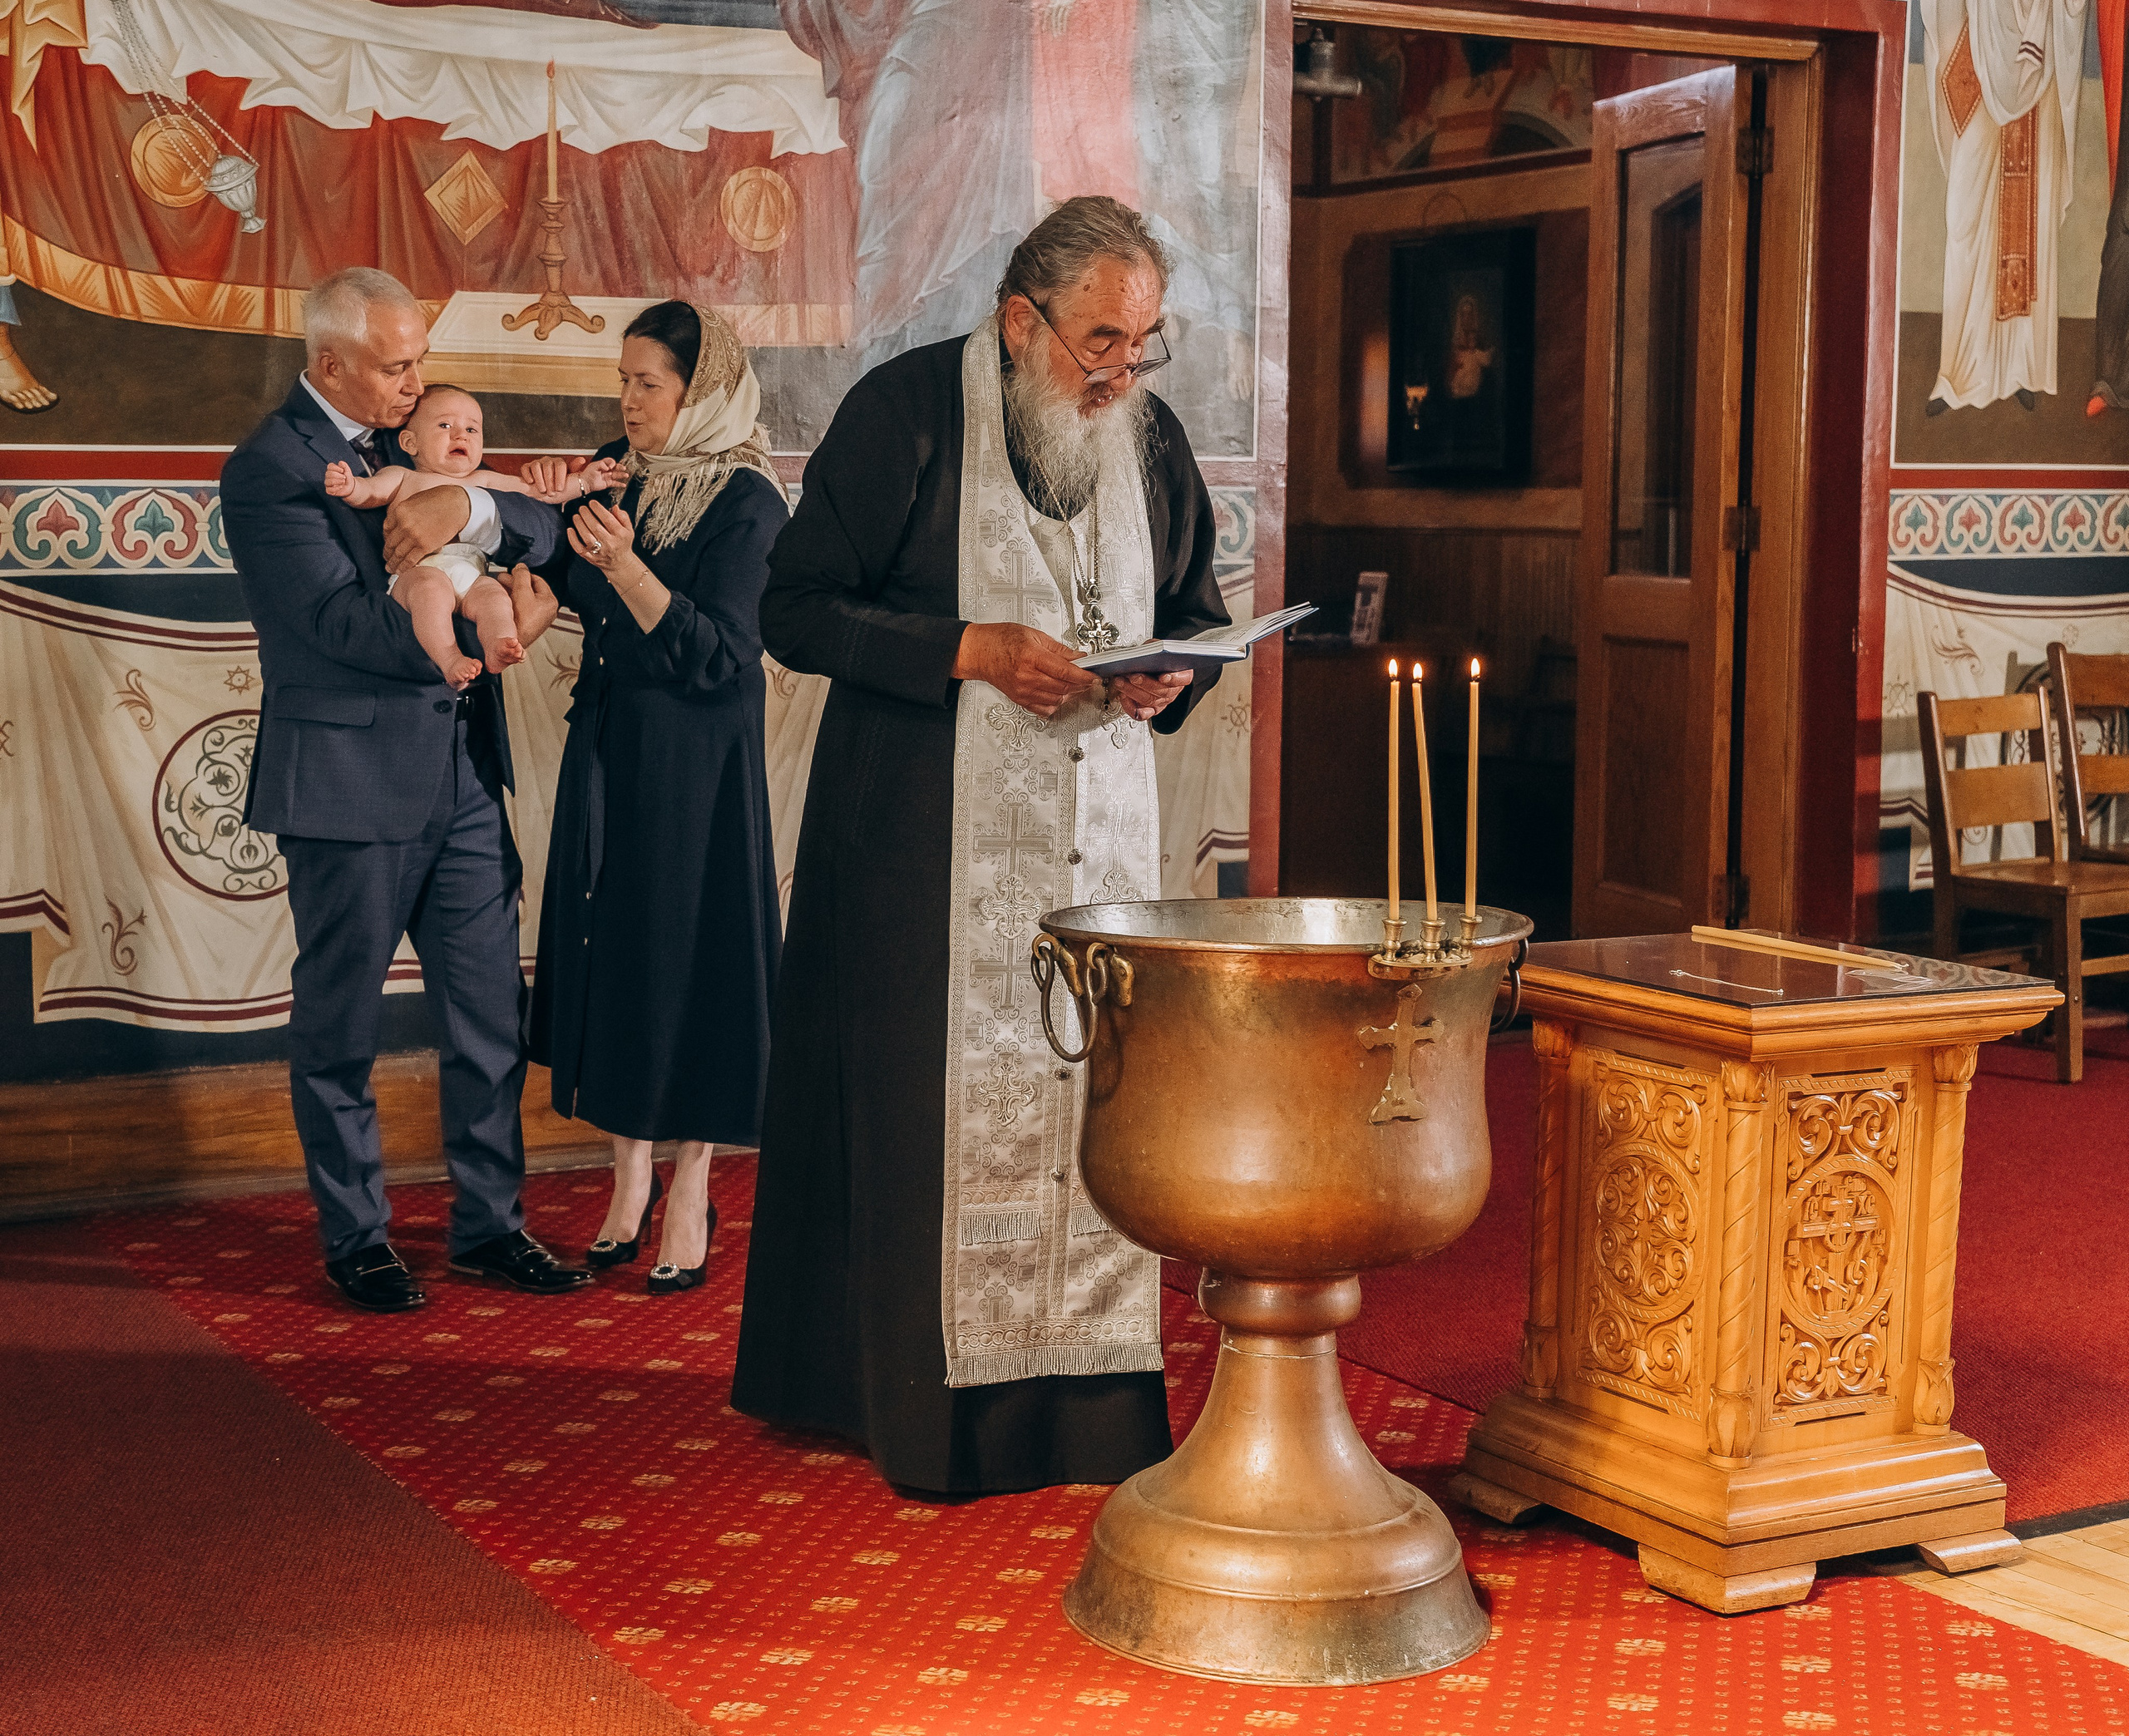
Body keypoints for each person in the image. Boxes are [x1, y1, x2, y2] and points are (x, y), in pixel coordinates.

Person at [732, 195, 1230, 1493]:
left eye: (1146, 343)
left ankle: (1090, 1417)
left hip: (1097, 859)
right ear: (1022, 322)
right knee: (923, 1127)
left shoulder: (1147, 437)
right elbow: (795, 610)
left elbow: (1194, 608)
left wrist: (1173, 676)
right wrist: (967, 651)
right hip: (916, 860)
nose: (1124, 372)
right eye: (1102, 342)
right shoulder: (904, 415)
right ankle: (920, 1414)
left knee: (1090, 1119)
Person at [225, 265, 591, 1313]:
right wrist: (461, 617)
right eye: (397, 366)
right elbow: (337, 627)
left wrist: (464, 501)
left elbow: (544, 535)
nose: (416, 383)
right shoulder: (270, 469)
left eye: (420, 360)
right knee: (339, 1029)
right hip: (346, 784)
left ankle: (490, 1228)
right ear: (329, 363)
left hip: (464, 777)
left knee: (487, 1018)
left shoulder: (413, 444)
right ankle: (357, 1239)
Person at [526, 302, 785, 1298]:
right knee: (617, 946)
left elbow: (719, 656)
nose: (626, 403)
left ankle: (692, 1181)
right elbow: (571, 591)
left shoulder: (749, 502)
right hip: (610, 739)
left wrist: (620, 562)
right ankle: (628, 1170)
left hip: (697, 764)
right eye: (623, 381)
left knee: (691, 957)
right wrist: (550, 522)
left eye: (647, 384)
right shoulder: (616, 469)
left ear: (700, 391)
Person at [327, 383, 621, 687]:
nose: (460, 435)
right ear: (410, 442)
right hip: (418, 574)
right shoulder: (403, 477)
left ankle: (499, 645)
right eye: (445, 425)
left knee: (493, 597)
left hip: (470, 577)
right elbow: (369, 493)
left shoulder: (483, 479)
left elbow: (539, 493)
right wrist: (350, 487)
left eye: (472, 429)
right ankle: (449, 658)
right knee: (431, 592)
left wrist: (585, 482)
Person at [1921, 0, 2090, 415]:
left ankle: (2022, 369)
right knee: (1966, 219)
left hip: (2039, 72)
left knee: (2031, 219)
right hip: (1981, 58)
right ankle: (1958, 372)